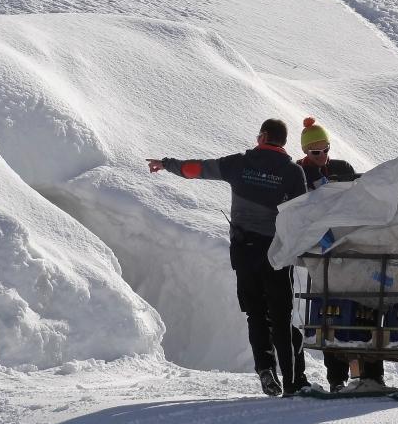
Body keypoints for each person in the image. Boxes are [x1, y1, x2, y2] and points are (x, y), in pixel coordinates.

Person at [148, 119, 311, 397]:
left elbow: (197, 169)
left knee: (256, 314)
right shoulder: (293, 172)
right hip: (277, 253)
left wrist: (166, 163)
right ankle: (293, 382)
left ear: (262, 137)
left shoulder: (240, 163)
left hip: (244, 249)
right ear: (283, 142)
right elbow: (302, 214)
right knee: (281, 317)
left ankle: (265, 369)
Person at [297, 117, 384, 393]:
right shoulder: (298, 173)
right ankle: (337, 378)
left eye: (325, 149)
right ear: (305, 152)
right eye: (315, 152)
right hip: (324, 254)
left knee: (365, 310)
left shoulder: (343, 169)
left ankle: (372, 376)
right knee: (331, 315)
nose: (322, 156)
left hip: (353, 249)